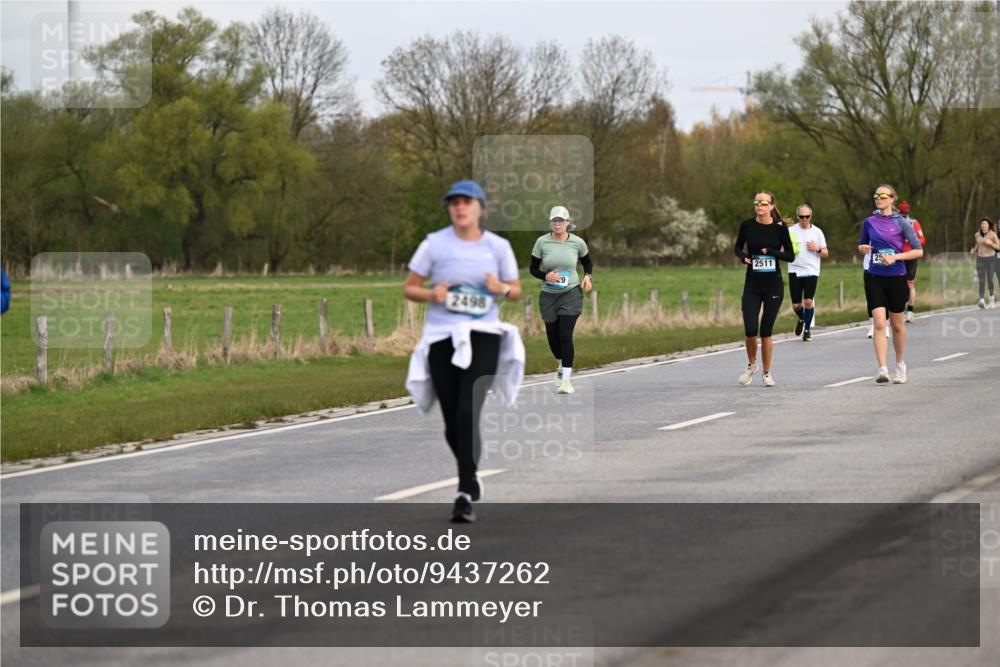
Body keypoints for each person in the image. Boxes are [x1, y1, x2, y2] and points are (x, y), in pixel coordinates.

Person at [404, 179, 525, 523]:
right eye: (454, 202)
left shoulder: (497, 247)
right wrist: (433, 295)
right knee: (451, 420)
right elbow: (410, 288)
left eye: (467, 202)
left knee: (468, 410)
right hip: (441, 336)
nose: (460, 207)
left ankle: (463, 490)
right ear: (449, 208)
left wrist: (499, 287)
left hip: (484, 335)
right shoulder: (434, 245)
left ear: (480, 208)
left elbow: (515, 291)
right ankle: (470, 474)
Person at [858, 184, 923, 384]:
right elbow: (863, 244)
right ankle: (882, 369)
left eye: (883, 195)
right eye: (876, 195)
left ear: (892, 199)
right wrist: (862, 248)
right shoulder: (869, 222)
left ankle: (900, 364)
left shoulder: (902, 222)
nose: (878, 198)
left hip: (896, 276)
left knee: (896, 325)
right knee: (879, 322)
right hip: (874, 276)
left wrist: (896, 257)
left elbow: (918, 250)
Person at [529, 206, 593, 394]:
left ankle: (566, 381)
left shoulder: (577, 242)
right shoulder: (542, 242)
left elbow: (587, 261)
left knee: (565, 335)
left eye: (560, 221)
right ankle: (560, 363)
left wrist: (588, 276)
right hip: (548, 295)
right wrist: (545, 276)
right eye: (554, 221)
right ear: (551, 223)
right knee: (552, 337)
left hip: (571, 293)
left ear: (567, 223)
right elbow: (532, 268)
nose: (557, 224)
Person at [734, 191, 795, 387]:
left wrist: (772, 252)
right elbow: (737, 248)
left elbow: (791, 256)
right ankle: (752, 365)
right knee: (751, 329)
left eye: (763, 202)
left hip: (773, 285)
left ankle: (767, 373)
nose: (759, 205)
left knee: (766, 330)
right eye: (756, 202)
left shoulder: (779, 228)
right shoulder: (747, 226)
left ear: (770, 206)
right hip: (752, 284)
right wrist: (744, 257)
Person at [787, 204, 828, 341]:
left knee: (808, 302)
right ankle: (802, 319)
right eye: (801, 217)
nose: (804, 219)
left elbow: (826, 253)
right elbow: (781, 248)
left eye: (807, 216)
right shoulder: (790, 231)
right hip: (794, 269)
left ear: (811, 216)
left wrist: (817, 249)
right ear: (797, 216)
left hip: (811, 270)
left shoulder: (817, 232)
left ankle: (807, 330)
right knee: (796, 305)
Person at [897, 201, 926, 322]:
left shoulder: (914, 223)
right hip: (899, 257)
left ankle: (909, 311)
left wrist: (909, 240)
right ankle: (901, 311)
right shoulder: (895, 222)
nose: (903, 216)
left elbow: (922, 240)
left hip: (911, 256)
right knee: (899, 285)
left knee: (909, 284)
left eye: (904, 214)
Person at [970, 217, 1000, 309]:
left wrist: (990, 243)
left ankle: (991, 298)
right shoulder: (977, 235)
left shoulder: (993, 235)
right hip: (980, 259)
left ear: (988, 225)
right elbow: (978, 244)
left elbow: (998, 247)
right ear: (981, 225)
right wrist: (974, 250)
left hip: (991, 260)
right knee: (981, 280)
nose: (983, 225)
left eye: (985, 223)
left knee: (990, 280)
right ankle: (982, 299)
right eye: (982, 223)